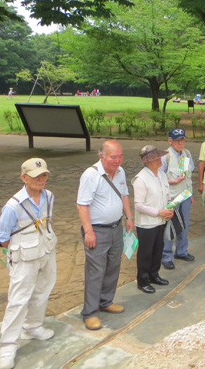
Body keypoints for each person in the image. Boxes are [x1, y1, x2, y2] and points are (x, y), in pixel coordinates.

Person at [0, 158, 57, 369]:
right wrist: (19, 250)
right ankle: (7, 346)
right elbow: (3, 238)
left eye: (44, 175)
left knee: (42, 291)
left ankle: (33, 326)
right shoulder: (12, 206)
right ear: (24, 178)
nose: (41, 179)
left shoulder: (49, 196)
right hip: (24, 257)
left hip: (46, 251)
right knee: (18, 300)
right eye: (36, 176)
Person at [77, 140, 134, 331]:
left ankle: (106, 301)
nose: (117, 160)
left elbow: (124, 195)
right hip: (97, 230)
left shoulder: (121, 172)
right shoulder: (91, 175)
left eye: (120, 156)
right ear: (101, 156)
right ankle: (90, 313)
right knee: (96, 271)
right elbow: (82, 205)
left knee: (113, 266)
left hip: (116, 227)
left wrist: (129, 217)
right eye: (113, 157)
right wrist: (89, 231)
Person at [132, 145, 173, 294]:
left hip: (160, 220)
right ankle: (143, 280)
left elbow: (167, 194)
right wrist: (158, 212)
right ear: (147, 161)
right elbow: (138, 205)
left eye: (158, 157)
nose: (159, 160)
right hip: (146, 223)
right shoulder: (140, 179)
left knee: (158, 249)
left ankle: (154, 275)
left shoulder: (161, 174)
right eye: (155, 158)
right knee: (146, 252)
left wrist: (169, 209)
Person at [160, 128, 195, 269]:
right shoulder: (165, 156)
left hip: (185, 194)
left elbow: (188, 176)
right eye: (177, 140)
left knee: (184, 225)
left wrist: (190, 194)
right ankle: (166, 256)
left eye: (182, 140)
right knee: (169, 227)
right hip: (172, 197)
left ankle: (181, 251)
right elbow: (159, 179)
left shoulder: (186, 153)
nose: (180, 143)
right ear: (170, 141)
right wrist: (173, 181)